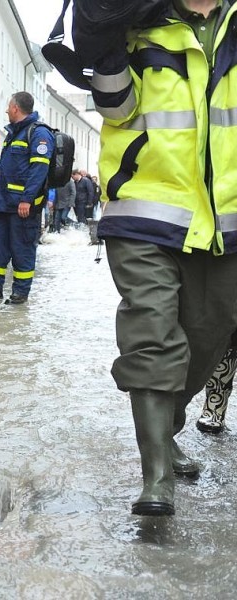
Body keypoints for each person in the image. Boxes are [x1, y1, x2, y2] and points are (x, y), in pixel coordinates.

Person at [90, 0, 237, 516]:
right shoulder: (135, 19)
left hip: (227, 220)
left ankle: (166, 431)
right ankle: (156, 477)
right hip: (145, 209)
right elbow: (114, 109)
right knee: (151, 331)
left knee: (210, 331)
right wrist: (106, 40)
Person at [0, 92, 54, 305]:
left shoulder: (38, 133)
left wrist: (27, 199)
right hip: (4, 203)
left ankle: (20, 293)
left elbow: (39, 169)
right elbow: (7, 165)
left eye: (8, 106)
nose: (6, 110)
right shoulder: (15, 134)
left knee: (22, 249)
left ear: (16, 108)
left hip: (23, 207)